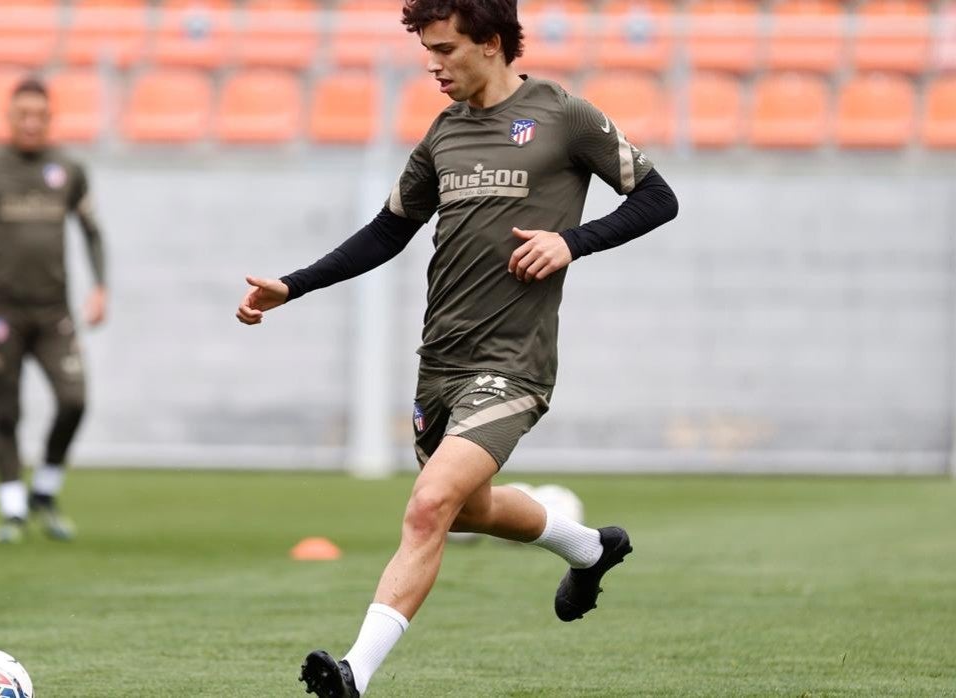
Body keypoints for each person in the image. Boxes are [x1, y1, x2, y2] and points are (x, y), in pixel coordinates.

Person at [236, 1, 679, 694]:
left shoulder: (565, 116)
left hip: (513, 365)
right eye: (428, 50)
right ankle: (592, 550)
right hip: (440, 361)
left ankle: (355, 672)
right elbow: (388, 232)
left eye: (445, 50)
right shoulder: (444, 134)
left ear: (491, 43)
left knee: (427, 505)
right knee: (470, 509)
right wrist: (292, 287)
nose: (433, 65)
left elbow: (657, 198)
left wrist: (572, 241)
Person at [0, 77, 108, 544]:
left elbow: (93, 232)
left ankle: (45, 489)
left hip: (54, 313)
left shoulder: (69, 171)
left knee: (75, 400)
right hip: (1, 314)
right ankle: (12, 508)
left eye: (40, 115)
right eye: (23, 114)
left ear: (51, 118)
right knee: (5, 411)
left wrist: (99, 286)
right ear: (9, 117)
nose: (32, 123)